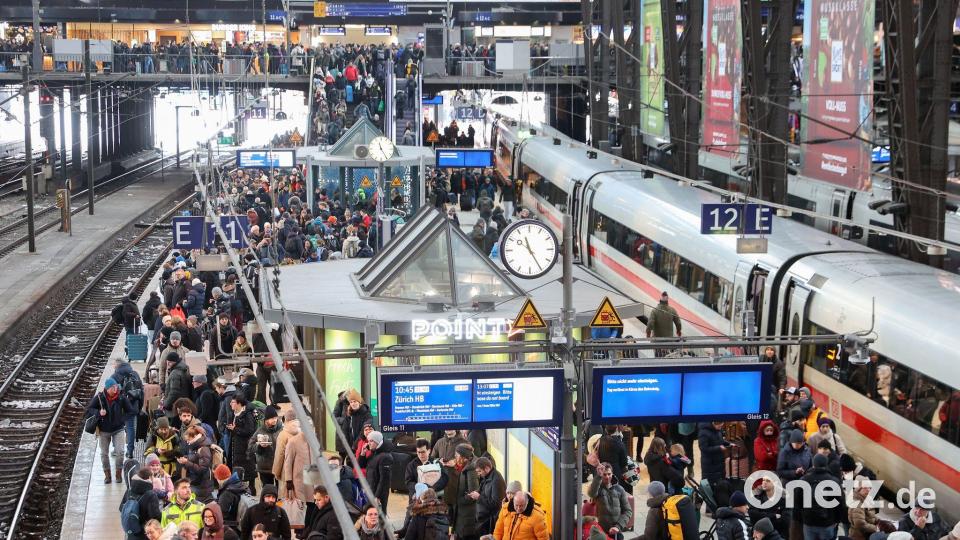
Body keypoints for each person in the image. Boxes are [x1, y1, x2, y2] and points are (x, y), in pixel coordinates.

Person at [86, 377, 136, 483]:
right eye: (113, 387)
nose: (116, 389)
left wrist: (122, 419)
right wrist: (99, 413)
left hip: (118, 429)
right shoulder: (100, 397)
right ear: (108, 388)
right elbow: (90, 409)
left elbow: (131, 411)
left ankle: (118, 474)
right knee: (104, 454)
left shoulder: (121, 398)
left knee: (120, 452)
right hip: (104, 430)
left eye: (116, 387)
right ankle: (107, 475)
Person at [799, 454, 842, 540]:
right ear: (826, 465)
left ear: (813, 464)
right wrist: (837, 520)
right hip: (827, 523)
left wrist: (802, 518)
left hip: (809, 522)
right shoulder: (834, 481)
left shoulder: (804, 480)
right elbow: (839, 504)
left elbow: (797, 502)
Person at [587, 462, 632, 540]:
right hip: (600, 532)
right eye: (604, 474)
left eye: (609, 474)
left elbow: (627, 511)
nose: (607, 477)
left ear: (612, 474)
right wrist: (598, 477)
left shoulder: (619, 489)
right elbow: (592, 494)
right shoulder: (597, 488)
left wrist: (618, 527)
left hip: (615, 532)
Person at [112, 357, 145, 459]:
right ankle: (130, 451)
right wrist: (139, 407)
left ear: (117, 365)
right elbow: (141, 392)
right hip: (132, 406)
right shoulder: (134, 373)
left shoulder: (115, 376)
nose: (113, 366)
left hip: (119, 407)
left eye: (113, 364)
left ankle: (117, 449)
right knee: (130, 428)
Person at [447, 444, 480, 540]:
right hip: (462, 513)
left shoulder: (471, 471)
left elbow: (473, 493)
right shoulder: (466, 466)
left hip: (467, 515)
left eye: (457, 455)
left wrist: (459, 501)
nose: (455, 457)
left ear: (463, 457)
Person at [122, 467, 164, 539]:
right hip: (144, 533)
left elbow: (121, 508)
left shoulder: (130, 489)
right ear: (150, 477)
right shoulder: (151, 495)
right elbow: (155, 516)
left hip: (131, 531)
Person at [226, 395, 258, 491]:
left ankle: (252, 489)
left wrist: (235, 429)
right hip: (236, 445)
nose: (230, 404)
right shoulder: (234, 414)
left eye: (233, 402)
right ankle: (239, 487)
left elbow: (250, 430)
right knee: (237, 467)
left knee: (248, 467)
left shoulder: (247, 414)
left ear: (239, 404)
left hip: (245, 446)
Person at [248, 405, 282, 493]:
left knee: (280, 493)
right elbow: (250, 447)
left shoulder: (282, 429)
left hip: (279, 465)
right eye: (271, 418)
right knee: (268, 492)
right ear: (266, 420)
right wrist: (259, 446)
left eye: (275, 417)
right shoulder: (260, 431)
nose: (274, 420)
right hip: (264, 467)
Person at [358, 430, 394, 508]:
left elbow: (384, 480)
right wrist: (363, 453)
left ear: (377, 441)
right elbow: (362, 465)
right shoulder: (374, 453)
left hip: (378, 494)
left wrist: (377, 496)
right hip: (371, 491)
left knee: (379, 516)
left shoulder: (385, 457)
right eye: (368, 441)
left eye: (371, 441)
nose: (368, 443)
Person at [179, 425, 216, 502]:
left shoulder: (203, 449)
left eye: (189, 439)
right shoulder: (194, 446)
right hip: (196, 483)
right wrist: (185, 459)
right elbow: (193, 457)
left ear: (195, 436)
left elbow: (202, 469)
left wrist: (187, 462)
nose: (187, 442)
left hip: (203, 485)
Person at [282, 416, 314, 503]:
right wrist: (288, 480)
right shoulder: (293, 441)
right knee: (300, 506)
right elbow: (288, 462)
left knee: (312, 505)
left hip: (312, 479)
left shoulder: (314, 440)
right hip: (299, 481)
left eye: (311, 426)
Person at [337, 389, 373, 459]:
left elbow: (364, 431)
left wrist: (355, 446)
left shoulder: (367, 414)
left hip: (361, 447)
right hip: (351, 449)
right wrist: (347, 447)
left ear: (359, 402)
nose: (353, 404)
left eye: (355, 401)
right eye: (351, 402)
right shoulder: (349, 414)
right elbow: (345, 431)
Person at [476, 457, 506, 536]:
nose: (478, 474)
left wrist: (479, 497)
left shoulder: (496, 480)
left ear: (486, 468)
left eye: (479, 471)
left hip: (489, 522)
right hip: (484, 519)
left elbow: (496, 504)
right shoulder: (487, 476)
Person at [596, 426, 630, 494]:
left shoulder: (600, 440)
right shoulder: (619, 443)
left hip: (602, 470)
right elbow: (624, 463)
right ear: (616, 429)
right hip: (615, 473)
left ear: (605, 429)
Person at [698, 421, 730, 486]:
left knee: (720, 484)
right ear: (713, 423)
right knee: (710, 484)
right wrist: (719, 448)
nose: (720, 427)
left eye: (721, 426)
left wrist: (728, 443)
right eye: (719, 426)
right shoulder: (703, 433)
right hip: (709, 464)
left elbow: (720, 440)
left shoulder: (718, 429)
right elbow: (703, 448)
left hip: (719, 462)